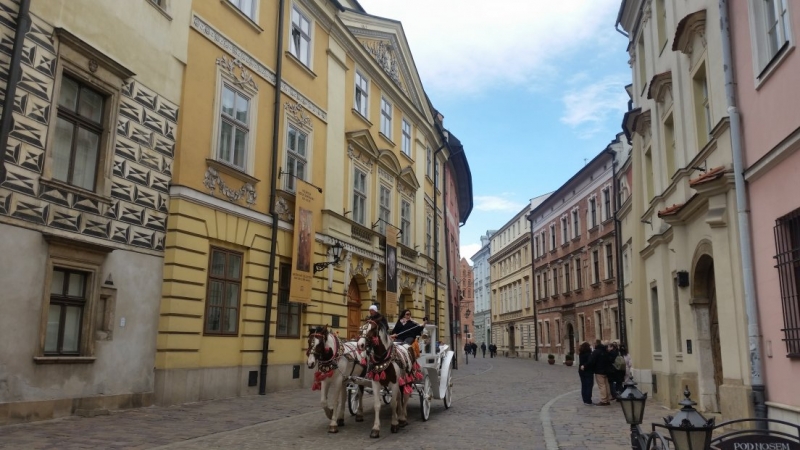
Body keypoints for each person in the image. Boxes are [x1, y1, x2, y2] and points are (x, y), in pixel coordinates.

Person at [587, 340, 612, 406]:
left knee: (602, 385)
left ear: (596, 344)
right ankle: (608, 399)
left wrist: (587, 366)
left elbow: (592, 361)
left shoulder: (596, 352)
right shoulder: (605, 351)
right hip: (606, 370)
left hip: (599, 371)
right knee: (606, 385)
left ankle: (604, 400)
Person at [577, 341, 595, 405]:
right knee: (589, 385)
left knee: (584, 385)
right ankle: (588, 400)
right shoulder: (589, 354)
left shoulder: (581, 353)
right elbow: (590, 362)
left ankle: (584, 399)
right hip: (588, 371)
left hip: (581, 371)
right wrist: (585, 366)